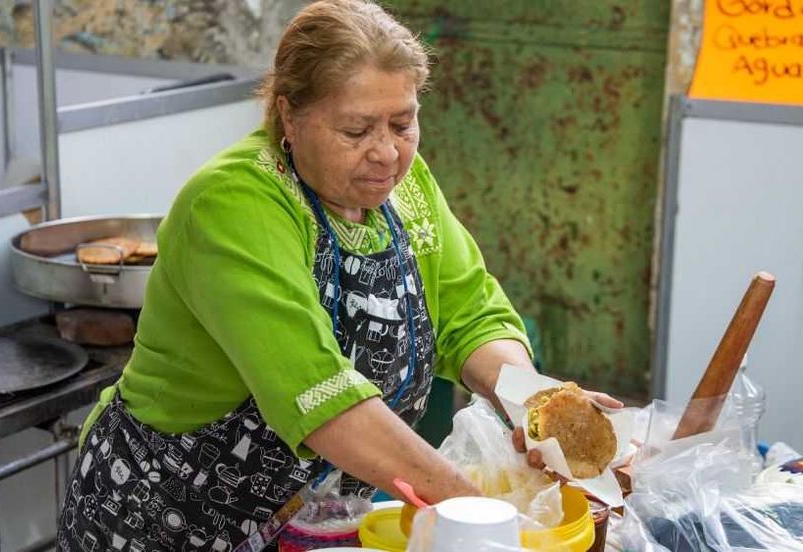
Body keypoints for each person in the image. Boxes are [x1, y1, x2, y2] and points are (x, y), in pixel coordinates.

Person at [57, 1, 621, 550]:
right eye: (355, 131)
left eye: (403, 123)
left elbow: (469, 311)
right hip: (164, 516)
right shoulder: (232, 204)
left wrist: (535, 403)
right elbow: (321, 399)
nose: (386, 154)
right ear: (289, 115)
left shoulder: (405, 188)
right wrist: (485, 518)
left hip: (313, 520)